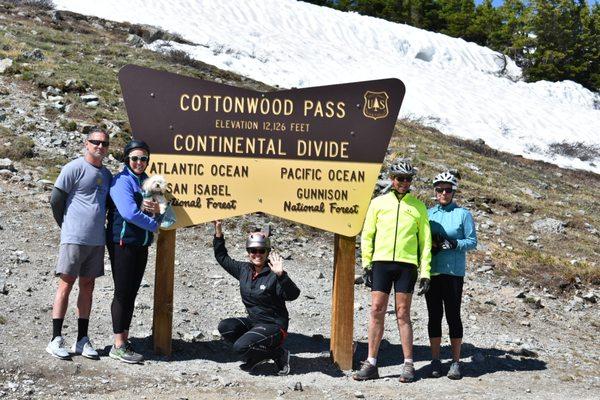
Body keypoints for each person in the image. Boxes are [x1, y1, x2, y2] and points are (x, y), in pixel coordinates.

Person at [353, 159, 432, 382]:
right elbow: (367, 234)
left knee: (402, 313)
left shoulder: (418, 206)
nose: (404, 183)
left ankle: (408, 364)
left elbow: (425, 241)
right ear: (391, 179)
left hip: (407, 265)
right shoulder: (378, 203)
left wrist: (425, 271)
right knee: (377, 309)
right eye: (400, 178)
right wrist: (367, 263)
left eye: (408, 179)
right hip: (381, 263)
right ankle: (371, 363)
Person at [47, 131, 113, 359]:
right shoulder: (73, 168)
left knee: (88, 287)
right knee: (65, 284)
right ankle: (55, 338)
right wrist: (65, 225)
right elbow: (56, 199)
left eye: (104, 143)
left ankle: (82, 340)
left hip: (96, 240)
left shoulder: (107, 174)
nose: (100, 146)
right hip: (74, 237)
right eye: (95, 142)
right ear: (86, 143)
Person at [213, 221, 300, 375]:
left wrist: (281, 275)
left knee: (240, 348)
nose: (257, 254)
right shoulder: (243, 269)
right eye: (253, 250)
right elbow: (221, 256)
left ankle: (278, 354)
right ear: (248, 252)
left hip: (275, 327)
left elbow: (293, 295)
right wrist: (218, 232)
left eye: (261, 251)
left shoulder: (274, 273)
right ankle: (256, 356)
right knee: (225, 327)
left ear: (267, 252)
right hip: (255, 323)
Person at [106, 140, 162, 364]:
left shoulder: (148, 181)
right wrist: (154, 225)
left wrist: (157, 212)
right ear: (127, 159)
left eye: (144, 158)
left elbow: (160, 208)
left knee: (132, 292)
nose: (139, 162)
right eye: (135, 158)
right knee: (122, 292)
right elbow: (129, 212)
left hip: (141, 244)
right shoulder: (121, 180)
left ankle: (124, 339)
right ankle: (118, 345)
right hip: (123, 243)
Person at [426, 171, 477, 379]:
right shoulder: (429, 213)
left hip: (454, 273)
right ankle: (436, 360)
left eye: (448, 190)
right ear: (435, 191)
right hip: (433, 270)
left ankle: (456, 362)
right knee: (434, 316)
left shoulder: (463, 214)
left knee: (453, 316)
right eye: (440, 189)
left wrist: (454, 244)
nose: (444, 193)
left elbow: (472, 241)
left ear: (453, 191)